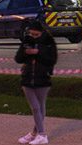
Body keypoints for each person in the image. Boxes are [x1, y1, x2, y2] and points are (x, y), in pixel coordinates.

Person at [14, 15, 55, 145]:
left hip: (42, 79)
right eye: (31, 33)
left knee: (39, 107)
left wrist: (38, 52)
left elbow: (51, 59)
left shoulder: (48, 42)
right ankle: (36, 134)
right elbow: (18, 58)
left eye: (35, 34)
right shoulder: (26, 41)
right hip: (27, 79)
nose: (33, 36)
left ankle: (41, 135)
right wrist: (26, 52)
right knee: (36, 108)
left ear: (41, 32)